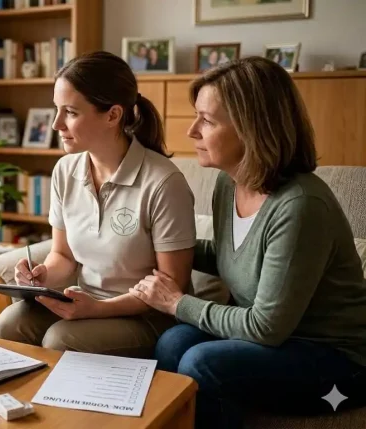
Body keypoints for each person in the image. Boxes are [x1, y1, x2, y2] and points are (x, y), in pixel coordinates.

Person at [130, 57, 366, 428]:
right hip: (280, 343)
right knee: (173, 343)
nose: (192, 130)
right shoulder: (229, 184)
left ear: (252, 128)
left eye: (206, 120)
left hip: (339, 363)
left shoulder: (300, 206)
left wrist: (177, 302)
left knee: (201, 363)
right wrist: (153, 245)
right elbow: (234, 255)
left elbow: (264, 327)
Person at [0, 51, 197, 358]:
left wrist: (98, 309)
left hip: (147, 315)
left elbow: (171, 287)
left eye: (71, 113)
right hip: (85, 302)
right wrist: (42, 277)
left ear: (113, 115)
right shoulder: (65, 170)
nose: (56, 124)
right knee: (11, 323)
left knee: (61, 340)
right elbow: (63, 255)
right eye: (56, 110)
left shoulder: (164, 183)